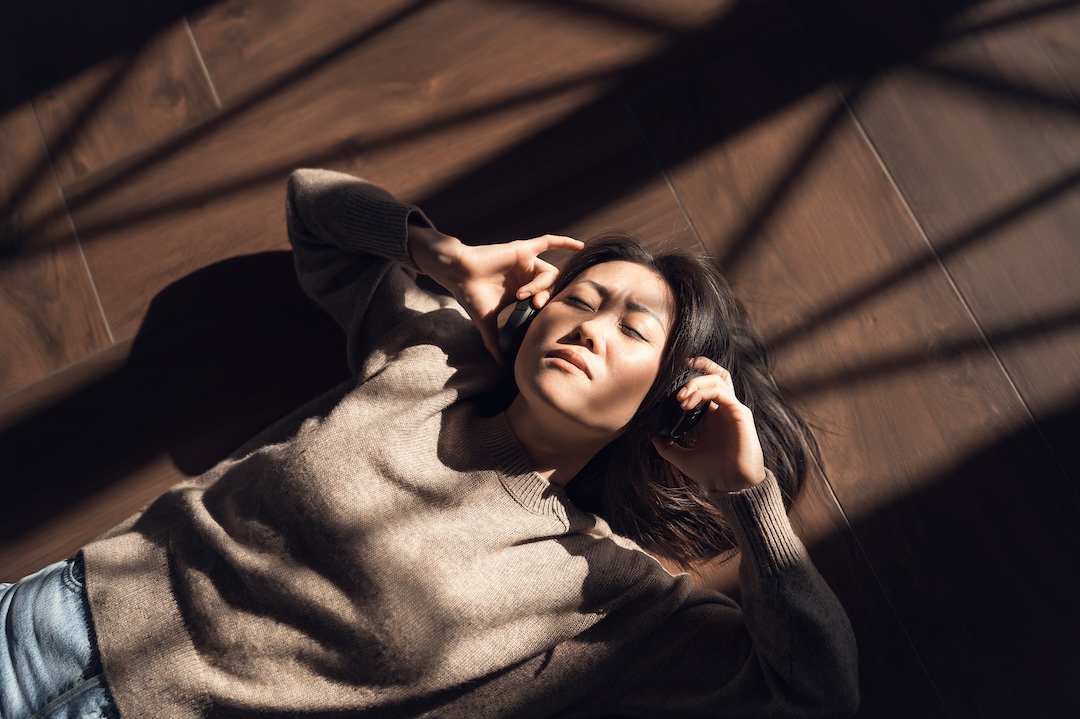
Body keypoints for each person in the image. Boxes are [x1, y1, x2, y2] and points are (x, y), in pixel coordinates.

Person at [0, 168, 859, 719]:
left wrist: (752, 502)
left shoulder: (610, 595)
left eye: (633, 329)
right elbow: (314, 207)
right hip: (51, 614)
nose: (591, 327)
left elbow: (814, 698)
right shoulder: (436, 355)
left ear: (666, 398)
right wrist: (443, 257)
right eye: (583, 297)